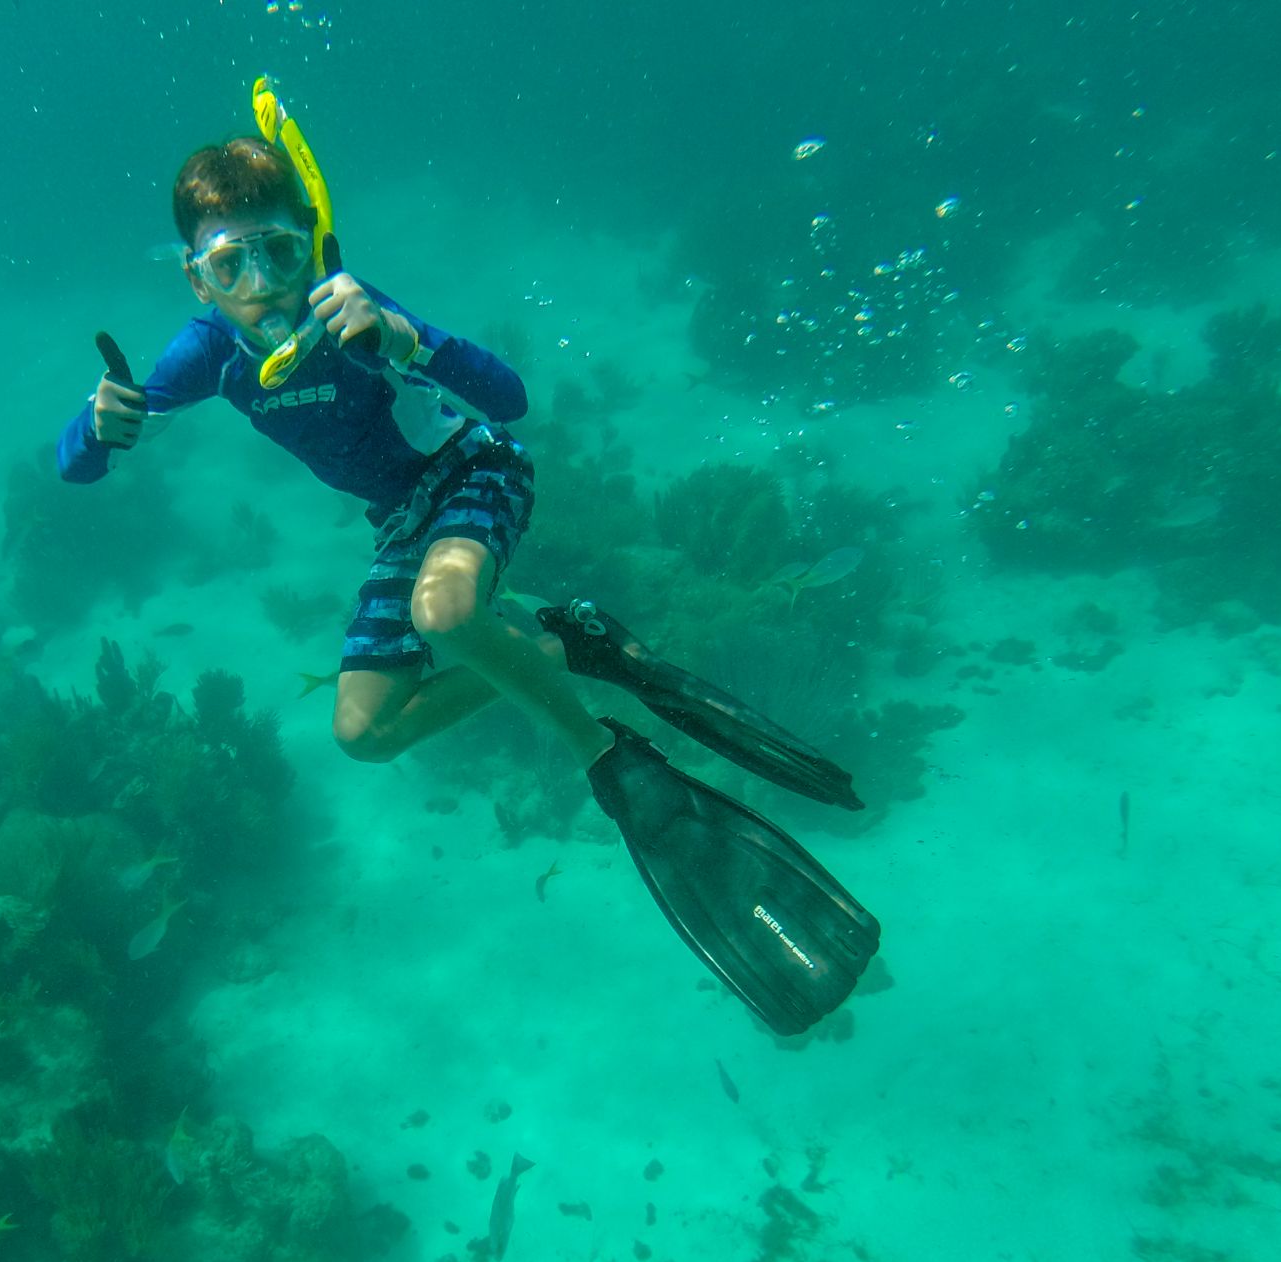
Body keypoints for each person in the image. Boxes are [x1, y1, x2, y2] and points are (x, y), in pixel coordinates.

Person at [56, 105, 879, 1035]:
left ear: (310, 245)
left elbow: (510, 399)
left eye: (279, 254)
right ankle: (559, 642)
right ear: (194, 277)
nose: (261, 287)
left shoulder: (348, 308)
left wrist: (401, 338)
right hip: (402, 523)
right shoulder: (205, 354)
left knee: (446, 614)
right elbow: (77, 464)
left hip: (474, 469)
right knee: (363, 733)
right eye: (227, 267)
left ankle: (607, 760)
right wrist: (98, 425)